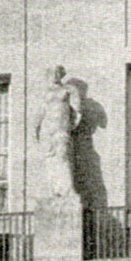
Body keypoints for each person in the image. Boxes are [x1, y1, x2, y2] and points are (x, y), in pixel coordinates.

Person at [35, 65, 83, 197]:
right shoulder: (46, 92)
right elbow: (41, 111)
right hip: (47, 127)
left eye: (57, 73)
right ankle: (53, 191)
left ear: (61, 74)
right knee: (50, 158)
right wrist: (36, 126)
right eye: (51, 73)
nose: (54, 76)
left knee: (63, 155)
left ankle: (67, 189)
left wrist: (71, 125)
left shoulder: (69, 90)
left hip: (61, 126)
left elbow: (77, 110)